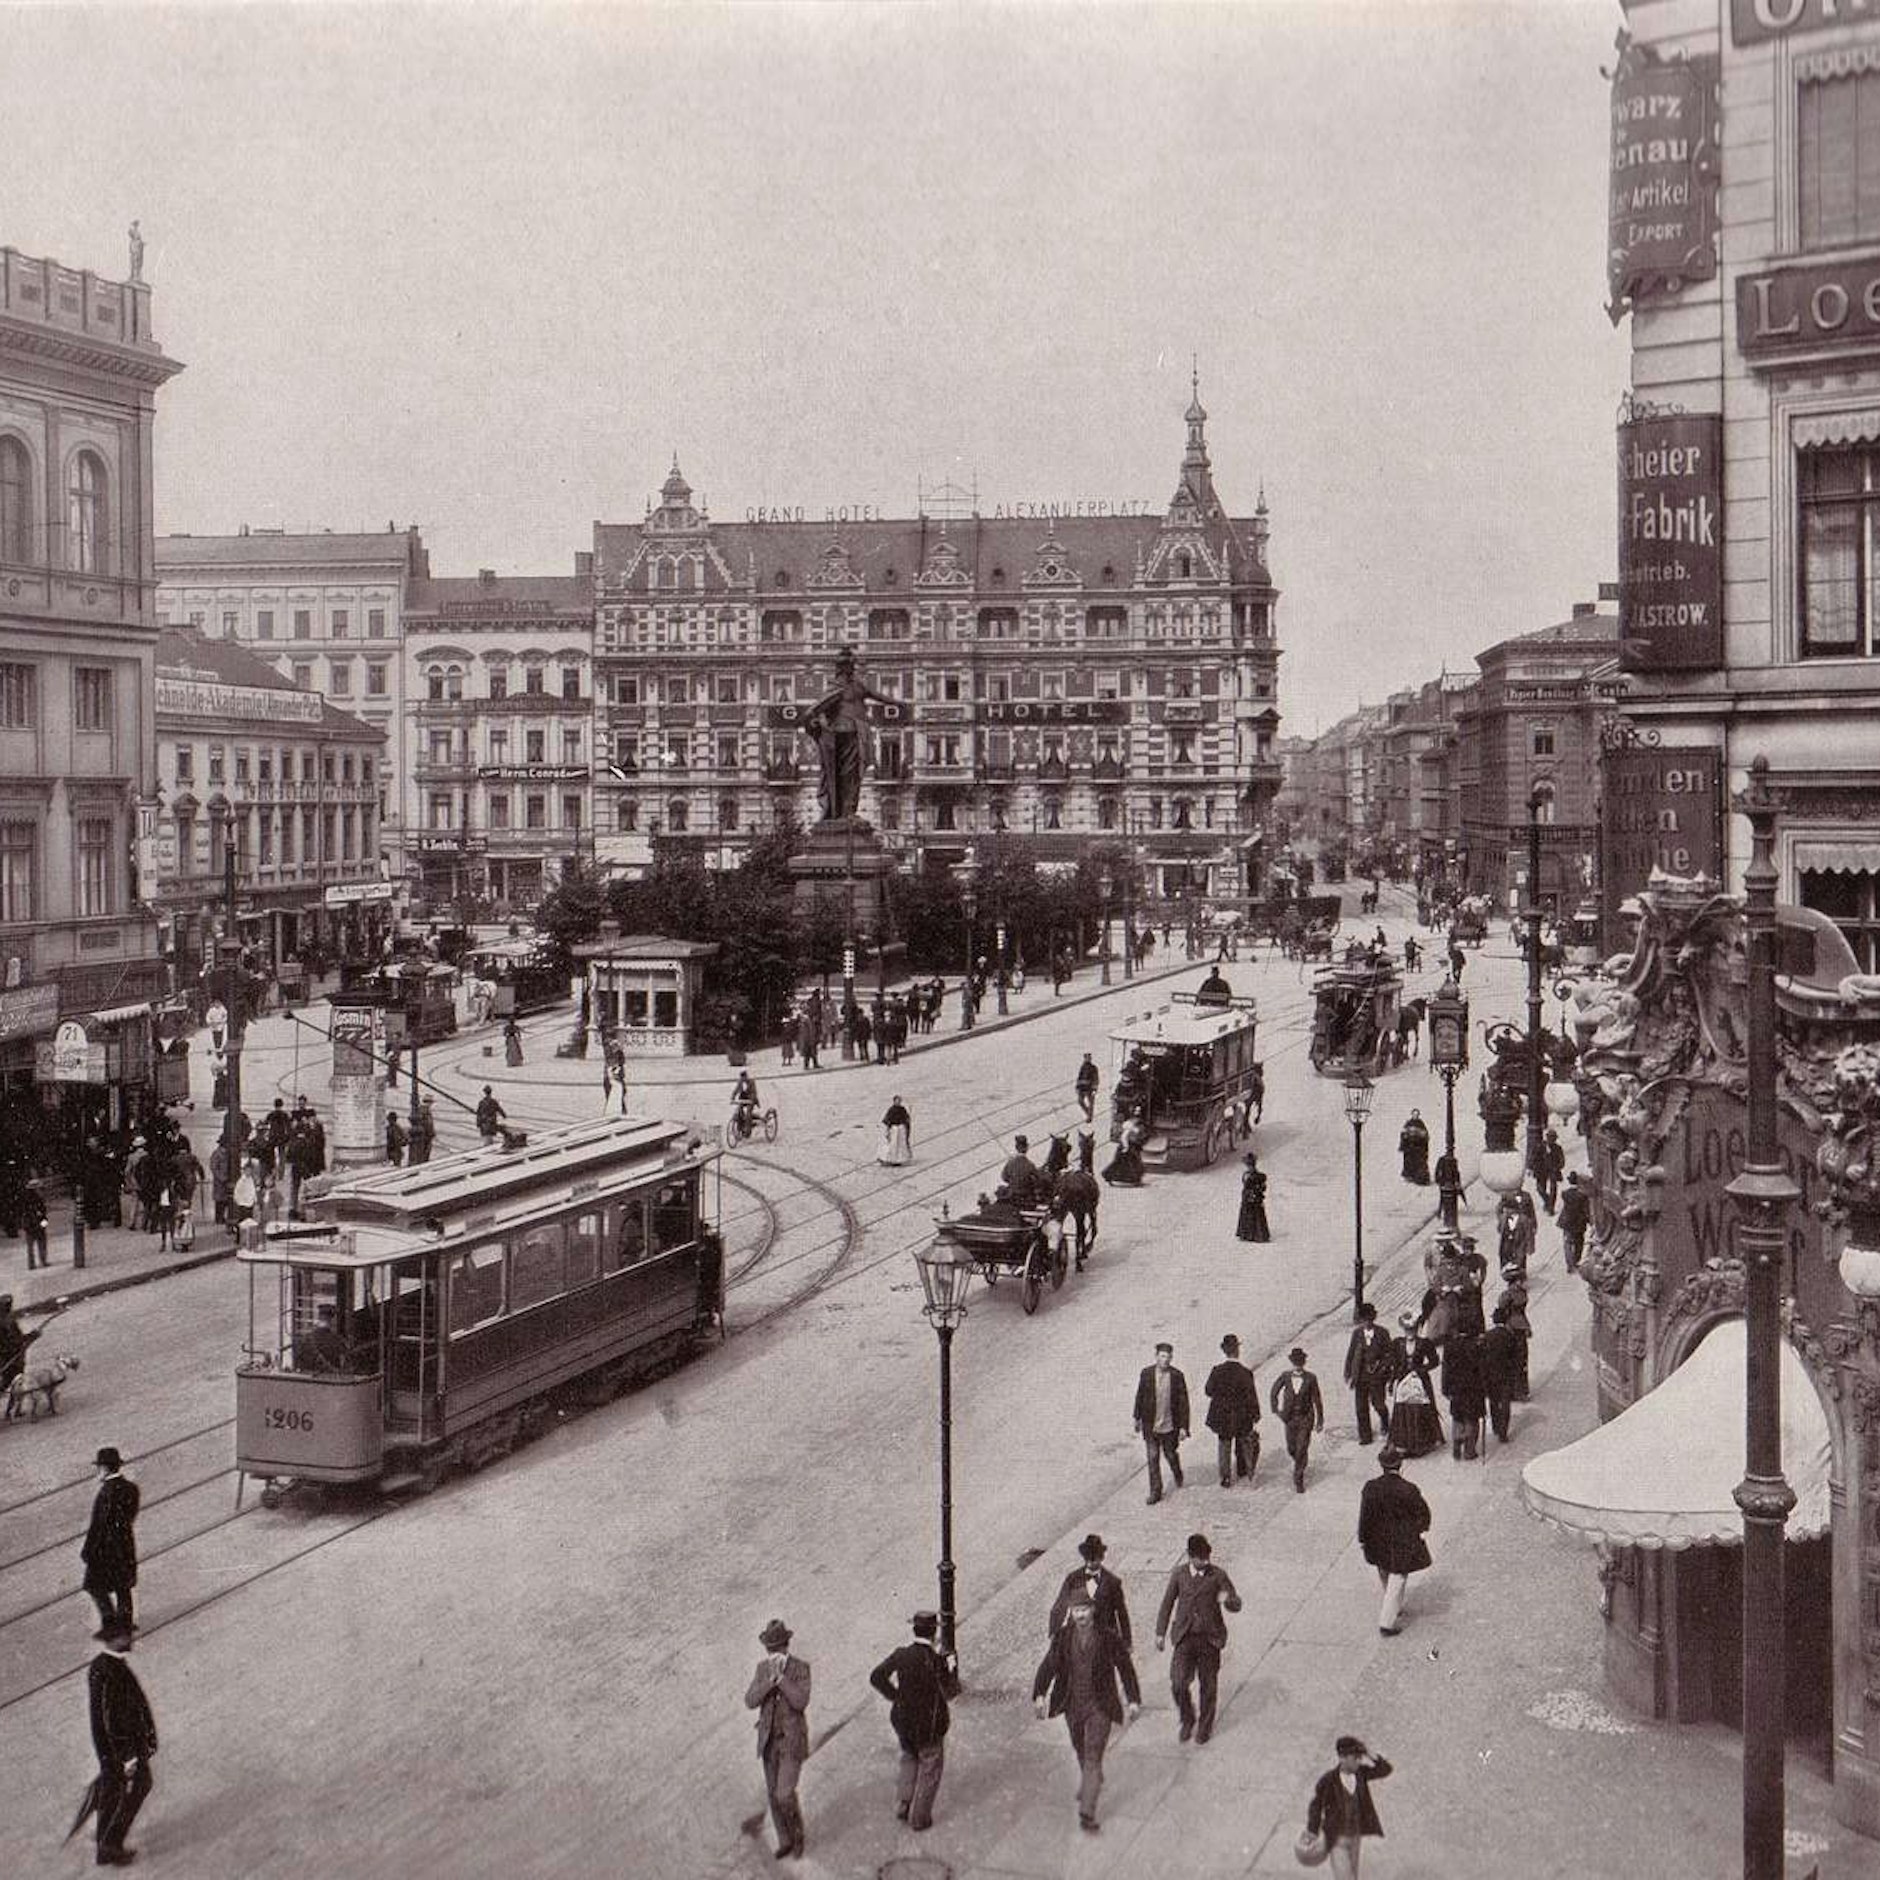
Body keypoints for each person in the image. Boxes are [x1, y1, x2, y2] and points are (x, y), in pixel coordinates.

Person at [1032, 1595, 1141, 1834]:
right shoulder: (1062, 1638)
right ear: (1070, 1612)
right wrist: (1039, 1694)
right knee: (1080, 1749)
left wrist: (1133, 1700)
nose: (1080, 1615)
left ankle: (1087, 1810)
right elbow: (1048, 1666)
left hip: (1100, 1706)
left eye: (1084, 1610)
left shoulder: (1108, 1636)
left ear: (1092, 1610)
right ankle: (1091, 1780)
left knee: (1092, 1754)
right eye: (1075, 1610)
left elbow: (1125, 1668)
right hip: (1072, 1705)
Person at [1154, 1532, 1242, 1744]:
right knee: (1177, 1683)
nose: (1205, 1561)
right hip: (1184, 1638)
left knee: (1208, 1686)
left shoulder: (1218, 1575)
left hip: (1209, 1639)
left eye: (1207, 1557)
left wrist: (1228, 1600)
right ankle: (1187, 1718)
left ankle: (1205, 1726)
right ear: (1190, 1556)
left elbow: (1237, 1604)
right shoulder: (1179, 1575)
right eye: (1200, 1558)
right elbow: (1167, 1604)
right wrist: (1160, 1632)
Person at [868, 1610, 950, 1831]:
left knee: (909, 1758)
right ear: (934, 1633)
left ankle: (903, 1804)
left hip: (903, 1720)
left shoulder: (901, 1654)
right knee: (930, 1766)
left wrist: (895, 1696)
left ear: (914, 1630)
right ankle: (920, 1818)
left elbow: (876, 1676)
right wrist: (947, 1663)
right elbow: (947, 1687)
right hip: (928, 1725)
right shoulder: (935, 1659)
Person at [87, 1614, 158, 1868]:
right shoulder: (112, 1670)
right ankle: (110, 1845)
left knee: (113, 1789)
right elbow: (113, 1718)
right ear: (115, 1639)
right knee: (138, 1785)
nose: (131, 1639)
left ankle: (104, 1836)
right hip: (120, 1749)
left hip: (111, 1749)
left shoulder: (103, 1665)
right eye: (126, 1635)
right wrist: (129, 1756)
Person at [745, 1618, 811, 1861]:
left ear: (786, 1646)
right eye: (769, 1649)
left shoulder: (801, 1668)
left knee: (784, 1793)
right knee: (773, 1795)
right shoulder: (762, 1669)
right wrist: (768, 1681)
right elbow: (750, 1700)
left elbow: (800, 1701)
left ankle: (798, 1835)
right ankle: (785, 1841)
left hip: (792, 1742)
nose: (772, 1653)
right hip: (769, 1741)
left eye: (777, 1648)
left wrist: (781, 1680)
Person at [1358, 1448, 1432, 1636]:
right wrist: (1419, 1530)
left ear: (1381, 1465)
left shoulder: (1370, 1487)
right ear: (1400, 1464)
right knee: (1398, 1576)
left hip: (1377, 1539)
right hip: (1401, 1540)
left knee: (1384, 1571)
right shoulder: (1409, 1489)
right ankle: (1387, 1621)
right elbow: (1423, 1514)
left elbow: (1365, 1516)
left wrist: (1363, 1538)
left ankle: (1393, 1604)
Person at [1305, 1735, 1393, 1878]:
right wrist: (1312, 1831)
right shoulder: (1328, 1780)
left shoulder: (1361, 1774)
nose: (1359, 1761)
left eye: (1360, 1757)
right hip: (1336, 1840)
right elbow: (1316, 1806)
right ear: (1342, 1758)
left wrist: (1369, 1752)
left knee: (1353, 1875)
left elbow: (1386, 1770)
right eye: (1355, 1758)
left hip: (1356, 1837)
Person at [82, 1447, 140, 1631]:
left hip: (105, 1548)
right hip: (124, 1543)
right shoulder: (131, 1489)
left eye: (99, 1467)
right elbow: (131, 1515)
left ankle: (110, 1622)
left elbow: (98, 1525)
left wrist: (88, 1550)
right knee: (123, 1586)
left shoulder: (105, 1494)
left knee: (94, 1585)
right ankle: (126, 1621)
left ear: (105, 1469)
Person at [1048, 1533, 1132, 1646]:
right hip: (1076, 1638)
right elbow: (1060, 1605)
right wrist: (1054, 1632)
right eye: (1088, 1558)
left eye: (1094, 1557)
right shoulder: (1073, 1578)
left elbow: (1122, 1614)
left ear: (1101, 1557)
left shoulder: (1113, 1582)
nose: (1091, 1562)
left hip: (1104, 1640)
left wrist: (1127, 1642)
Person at [1132, 1341, 1189, 1505]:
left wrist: (1184, 1427)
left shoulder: (1177, 1376)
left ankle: (1177, 1471)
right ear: (1156, 1357)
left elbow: (1183, 1403)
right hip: (1151, 1425)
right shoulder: (1146, 1374)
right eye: (1162, 1356)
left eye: (1168, 1357)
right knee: (1152, 1457)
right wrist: (1137, 1418)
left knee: (1170, 1454)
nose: (1165, 1360)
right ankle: (1155, 1491)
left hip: (1170, 1426)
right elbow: (1140, 1396)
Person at [1385, 1312, 1445, 1457]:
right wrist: (1392, 1382)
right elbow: (1394, 1364)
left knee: (1421, 1408)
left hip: (1419, 1380)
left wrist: (1421, 1369)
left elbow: (1434, 1361)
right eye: (1407, 1330)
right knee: (1402, 1409)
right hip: (1403, 1380)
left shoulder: (1425, 1343)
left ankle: (1421, 1442)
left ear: (1417, 1329)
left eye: (1412, 1329)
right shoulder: (1397, 1344)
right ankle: (1402, 1443)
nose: (1410, 1332)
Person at [1203, 1334, 1261, 1486]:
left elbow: (1208, 1391)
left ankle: (1225, 1477)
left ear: (1224, 1351)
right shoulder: (1245, 1372)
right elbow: (1251, 1396)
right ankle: (1244, 1471)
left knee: (1224, 1444)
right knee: (1243, 1442)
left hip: (1222, 1415)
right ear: (1237, 1351)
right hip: (1241, 1415)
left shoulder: (1217, 1371)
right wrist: (1255, 1414)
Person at [1270, 1347, 1326, 1492]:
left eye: (1300, 1361)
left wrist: (1320, 1420)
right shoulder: (1285, 1376)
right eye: (1296, 1362)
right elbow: (1274, 1391)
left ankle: (1298, 1479)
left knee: (1301, 1447)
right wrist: (1276, 1409)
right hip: (1289, 1418)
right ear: (1292, 1362)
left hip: (1305, 1418)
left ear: (1304, 1362)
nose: (1298, 1364)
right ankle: (1301, 1461)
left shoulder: (1311, 1378)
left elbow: (1317, 1399)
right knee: (1291, 1448)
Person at [1343, 1301, 1393, 1446]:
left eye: (1369, 1319)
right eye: (1364, 1319)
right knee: (1361, 1407)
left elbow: (1389, 1354)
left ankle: (1385, 1421)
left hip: (1377, 1376)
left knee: (1378, 1404)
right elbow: (1351, 1353)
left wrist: (1382, 1366)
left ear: (1373, 1318)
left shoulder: (1382, 1333)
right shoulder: (1357, 1334)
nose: (1367, 1322)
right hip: (1360, 1375)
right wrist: (1348, 1372)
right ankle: (1365, 1436)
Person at [1441, 1327, 1487, 1460]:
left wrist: (1445, 1388)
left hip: (1456, 1387)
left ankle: (1457, 1439)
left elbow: (1446, 1368)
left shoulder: (1450, 1345)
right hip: (1474, 1388)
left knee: (1457, 1416)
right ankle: (1469, 1450)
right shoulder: (1477, 1346)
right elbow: (1483, 1369)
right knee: (1472, 1418)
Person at [1482, 1303, 1523, 1445]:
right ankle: (1503, 1432)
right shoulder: (1509, 1336)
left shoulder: (1487, 1336)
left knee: (1493, 1402)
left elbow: (1482, 1357)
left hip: (1491, 1375)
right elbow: (1516, 1356)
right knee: (1505, 1403)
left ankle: (1495, 1426)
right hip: (1506, 1375)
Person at [1496, 1262, 1532, 1400]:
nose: (1520, 1283)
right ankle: (1518, 1391)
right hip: (1513, 1327)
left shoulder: (1510, 1295)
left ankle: (1517, 1390)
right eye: (1518, 1281)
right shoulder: (1510, 1295)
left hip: (1516, 1326)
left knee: (1518, 1359)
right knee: (1517, 1359)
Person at [0, 1292, 43, 1396]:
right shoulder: (6, 1322)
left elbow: (17, 1338)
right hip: (10, 1357)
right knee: (13, 1380)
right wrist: (32, 1336)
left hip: (11, 1355)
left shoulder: (8, 1320)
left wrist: (31, 1336)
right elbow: (14, 1340)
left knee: (13, 1380)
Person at [1557, 1169, 1590, 1273]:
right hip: (1579, 1222)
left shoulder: (1565, 1194)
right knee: (1579, 1242)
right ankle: (1576, 1260)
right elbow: (1586, 1210)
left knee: (1567, 1243)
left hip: (1567, 1221)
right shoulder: (1583, 1195)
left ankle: (1569, 1264)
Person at [1234, 1152, 1271, 1242]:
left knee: (1255, 1215)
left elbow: (1262, 1187)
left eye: (1250, 1165)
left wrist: (1255, 1192)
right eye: (1248, 1165)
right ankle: (1247, 1234)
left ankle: (1256, 1235)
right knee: (1248, 1215)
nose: (1249, 1167)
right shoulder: (1247, 1174)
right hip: (1247, 1198)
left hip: (1253, 1198)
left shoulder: (1258, 1176)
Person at [1000, 1135, 1043, 1208]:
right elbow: (1038, 1180)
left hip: (1012, 1196)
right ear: (1026, 1148)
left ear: (1016, 1148)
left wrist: (1013, 1181)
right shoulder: (1030, 1165)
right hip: (1026, 1197)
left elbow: (1004, 1177)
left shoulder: (1010, 1163)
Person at [1397, 1110, 1431, 1185]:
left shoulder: (1421, 1124)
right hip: (1409, 1147)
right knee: (1408, 1161)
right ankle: (1409, 1175)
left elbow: (1425, 1135)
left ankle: (1418, 1176)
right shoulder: (1408, 1123)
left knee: (1418, 1161)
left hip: (1418, 1147)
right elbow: (1403, 1134)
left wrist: (1421, 1141)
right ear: (1412, 1115)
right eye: (1414, 1114)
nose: (1415, 1116)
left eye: (1417, 1114)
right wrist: (1403, 1143)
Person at [22, 1178, 49, 1269]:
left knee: (30, 1245)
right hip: (37, 1223)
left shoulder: (25, 1199)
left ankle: (31, 1264)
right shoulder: (38, 1199)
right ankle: (43, 1260)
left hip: (28, 1224)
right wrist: (44, 1224)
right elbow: (42, 1213)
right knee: (41, 1242)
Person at [879, 1096, 912, 1167]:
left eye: (899, 1101)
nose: (898, 1102)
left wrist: (906, 1122)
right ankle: (888, 1158)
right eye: (896, 1101)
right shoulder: (891, 1109)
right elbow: (887, 1119)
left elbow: (906, 1118)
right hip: (893, 1129)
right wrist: (887, 1128)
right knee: (892, 1144)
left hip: (901, 1129)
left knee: (900, 1144)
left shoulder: (902, 1109)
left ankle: (899, 1159)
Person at [1539, 1127, 1566, 1213]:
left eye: (1553, 1138)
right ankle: (1547, 1201)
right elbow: (1535, 1157)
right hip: (1542, 1170)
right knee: (1540, 1188)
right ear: (1546, 1138)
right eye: (1550, 1137)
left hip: (1553, 1170)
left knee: (1553, 1189)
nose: (1551, 1140)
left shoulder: (1558, 1148)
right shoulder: (1541, 1146)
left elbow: (1562, 1161)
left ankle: (1551, 1207)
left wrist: (1557, 1167)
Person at [408, 1099, 436, 1167]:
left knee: (423, 1153)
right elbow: (428, 1124)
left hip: (425, 1135)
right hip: (425, 1136)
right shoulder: (424, 1111)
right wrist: (431, 1133)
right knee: (424, 1153)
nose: (431, 1105)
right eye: (430, 1103)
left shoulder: (424, 1110)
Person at [1074, 1052, 1100, 1123]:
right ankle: (1088, 1113)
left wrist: (1094, 1088)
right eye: (1086, 1058)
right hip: (1082, 1088)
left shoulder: (1093, 1068)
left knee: (1091, 1103)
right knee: (1080, 1101)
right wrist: (1077, 1086)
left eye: (1089, 1058)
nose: (1088, 1059)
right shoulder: (1082, 1067)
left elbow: (1096, 1078)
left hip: (1090, 1088)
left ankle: (1089, 1117)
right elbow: (1079, 1077)